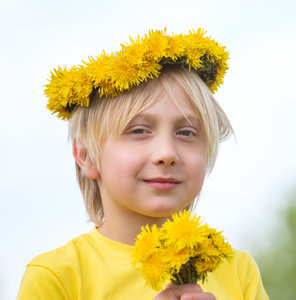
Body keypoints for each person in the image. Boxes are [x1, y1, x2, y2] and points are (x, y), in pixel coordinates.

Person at [17, 29, 269, 300]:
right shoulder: (56, 277)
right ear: (86, 156)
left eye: (186, 132)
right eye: (138, 131)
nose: (166, 153)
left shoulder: (239, 271)